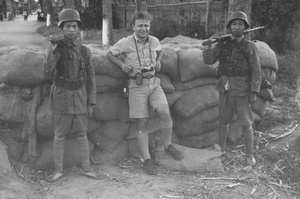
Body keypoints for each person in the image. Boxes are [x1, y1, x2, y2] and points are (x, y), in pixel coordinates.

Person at [106, 11, 183, 175]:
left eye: (146, 25)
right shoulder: (125, 42)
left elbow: (160, 49)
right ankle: (147, 159)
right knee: (142, 122)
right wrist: (121, 65)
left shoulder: (154, 41)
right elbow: (109, 54)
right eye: (140, 25)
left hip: (154, 83)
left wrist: (158, 59)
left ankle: (167, 144)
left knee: (164, 112)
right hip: (136, 84)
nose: (143, 28)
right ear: (133, 26)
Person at [45, 8, 102, 182]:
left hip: (80, 98)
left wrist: (91, 102)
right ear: (61, 28)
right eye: (68, 26)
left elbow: (91, 78)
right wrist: (53, 52)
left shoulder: (85, 51)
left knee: (82, 134)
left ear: (78, 29)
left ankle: (86, 168)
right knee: (59, 135)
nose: (71, 30)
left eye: (74, 26)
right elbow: (47, 75)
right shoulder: (55, 49)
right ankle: (59, 171)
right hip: (61, 97)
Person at [202, 11, 261, 166]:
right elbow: (209, 60)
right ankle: (221, 150)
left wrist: (254, 91)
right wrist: (209, 45)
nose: (237, 27)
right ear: (229, 27)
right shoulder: (223, 44)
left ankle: (249, 155)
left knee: (246, 123)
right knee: (223, 120)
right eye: (234, 24)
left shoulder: (250, 47)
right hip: (225, 88)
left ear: (245, 27)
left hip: (241, 89)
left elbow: (256, 71)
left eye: (240, 24)